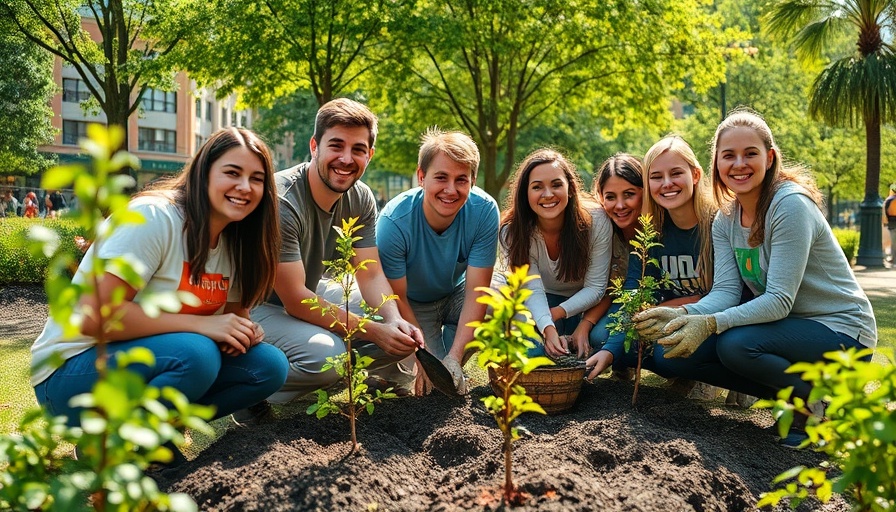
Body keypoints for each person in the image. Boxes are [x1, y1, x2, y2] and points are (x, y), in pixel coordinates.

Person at [634, 111, 877, 447]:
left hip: (842, 333)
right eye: (728, 155)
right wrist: (685, 315)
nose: (739, 164)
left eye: (750, 153)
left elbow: (779, 300)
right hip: (788, 333)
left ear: (770, 157)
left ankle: (818, 404)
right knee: (673, 355)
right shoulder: (726, 218)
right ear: (716, 163)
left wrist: (711, 323)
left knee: (736, 344)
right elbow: (726, 292)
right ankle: (796, 398)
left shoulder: (790, 205)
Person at [31, 127, 289, 432]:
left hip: (151, 358)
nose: (245, 187)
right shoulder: (154, 217)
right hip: (68, 374)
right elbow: (92, 315)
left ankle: (156, 428)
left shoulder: (237, 240)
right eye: (232, 173)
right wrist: (201, 325)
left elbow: (232, 318)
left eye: (257, 179)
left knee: (268, 366)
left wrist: (245, 331)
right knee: (196, 354)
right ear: (204, 173)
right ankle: (138, 445)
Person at [252, 98, 422, 407]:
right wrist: (374, 332)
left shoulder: (360, 197)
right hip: (254, 304)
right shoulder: (282, 201)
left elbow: (369, 272)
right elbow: (295, 300)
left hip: (308, 293)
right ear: (314, 145)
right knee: (328, 356)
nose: (346, 158)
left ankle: (357, 379)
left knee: (400, 327)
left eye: (358, 149)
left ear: (369, 155)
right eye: (336, 145)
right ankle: (251, 391)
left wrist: (393, 320)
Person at [584, 136, 767, 398]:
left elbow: (739, 293)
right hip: (673, 318)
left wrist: (667, 308)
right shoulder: (651, 230)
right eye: (657, 176)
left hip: (721, 321)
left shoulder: (721, 221)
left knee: (667, 354)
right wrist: (611, 349)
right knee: (603, 335)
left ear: (695, 174)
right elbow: (634, 287)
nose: (667, 184)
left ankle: (727, 379)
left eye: (676, 173)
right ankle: (688, 371)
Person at [376, 128, 499, 395]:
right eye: (441, 177)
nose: (451, 190)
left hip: (455, 293)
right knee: (433, 387)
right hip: (413, 304)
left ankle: (453, 356)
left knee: (497, 305)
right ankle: (390, 375)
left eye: (461, 180)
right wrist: (426, 359)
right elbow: (396, 298)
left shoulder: (485, 211)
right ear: (421, 176)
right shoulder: (393, 223)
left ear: (473, 181)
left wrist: (454, 357)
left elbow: (478, 293)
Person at [497, 148, 612, 359]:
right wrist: (548, 328)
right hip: (538, 303)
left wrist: (557, 314)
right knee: (532, 353)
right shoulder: (511, 231)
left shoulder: (597, 220)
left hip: (584, 305)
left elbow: (596, 287)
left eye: (556, 185)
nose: (548, 194)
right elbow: (532, 288)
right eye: (537, 187)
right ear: (525, 194)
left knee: (601, 339)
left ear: (570, 189)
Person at [582, 154, 644, 357]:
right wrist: (585, 324)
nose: (619, 205)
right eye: (610, 197)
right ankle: (621, 364)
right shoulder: (604, 230)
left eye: (629, 194)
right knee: (599, 335)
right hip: (621, 302)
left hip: (660, 303)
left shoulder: (657, 231)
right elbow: (608, 289)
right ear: (600, 196)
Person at [885, 183, 896, 262]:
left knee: (894, 242)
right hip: (892, 222)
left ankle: (893, 258)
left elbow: (886, 212)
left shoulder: (889, 200)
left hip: (892, 223)